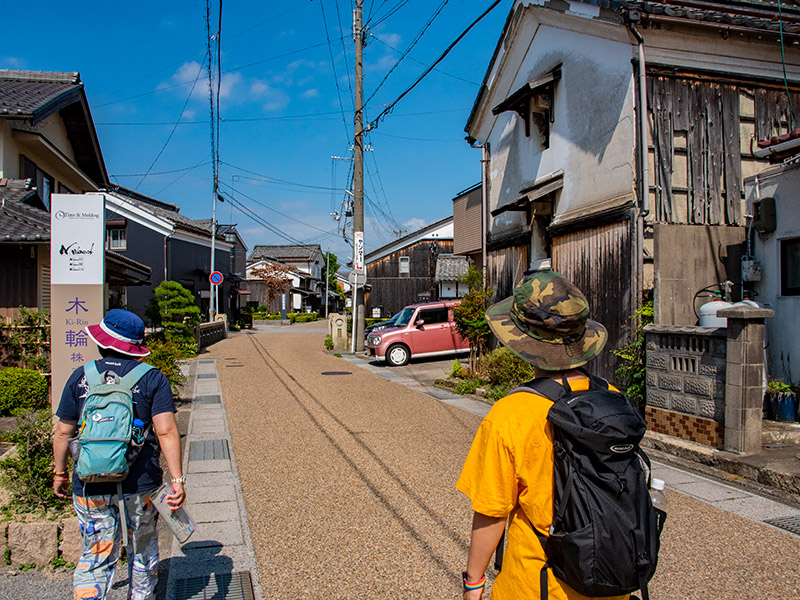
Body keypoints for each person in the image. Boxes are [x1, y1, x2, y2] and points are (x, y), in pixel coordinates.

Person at [457, 270, 629, 600]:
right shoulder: (613, 398)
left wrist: (473, 583)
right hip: (608, 580)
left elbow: (492, 512)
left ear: (523, 341)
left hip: (535, 584)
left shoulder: (511, 413)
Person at [53, 309, 186, 600]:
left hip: (89, 481)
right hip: (140, 484)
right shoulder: (152, 378)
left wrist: (60, 472)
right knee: (143, 547)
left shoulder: (81, 376)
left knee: (96, 551)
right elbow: (166, 432)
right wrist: (177, 479)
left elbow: (64, 431)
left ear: (102, 342)